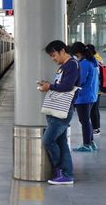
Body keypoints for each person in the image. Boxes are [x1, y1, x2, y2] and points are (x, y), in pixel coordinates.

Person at [38, 40, 79, 185]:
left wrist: (50, 86)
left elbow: (67, 86)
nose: (53, 58)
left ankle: (60, 170)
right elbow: (61, 84)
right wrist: (50, 85)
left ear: (62, 51)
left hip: (62, 111)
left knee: (48, 140)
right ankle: (67, 175)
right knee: (61, 142)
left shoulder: (72, 65)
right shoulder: (65, 66)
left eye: (54, 55)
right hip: (57, 109)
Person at [70, 42, 99, 152]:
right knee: (86, 120)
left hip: (83, 97)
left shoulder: (84, 64)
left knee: (84, 120)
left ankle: (87, 144)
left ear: (77, 53)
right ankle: (91, 143)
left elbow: (80, 81)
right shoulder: (91, 62)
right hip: (90, 96)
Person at [87, 44, 102, 135]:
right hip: (98, 87)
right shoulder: (98, 58)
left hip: (95, 88)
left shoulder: (93, 60)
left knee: (93, 109)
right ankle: (96, 127)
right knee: (95, 109)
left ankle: (95, 128)